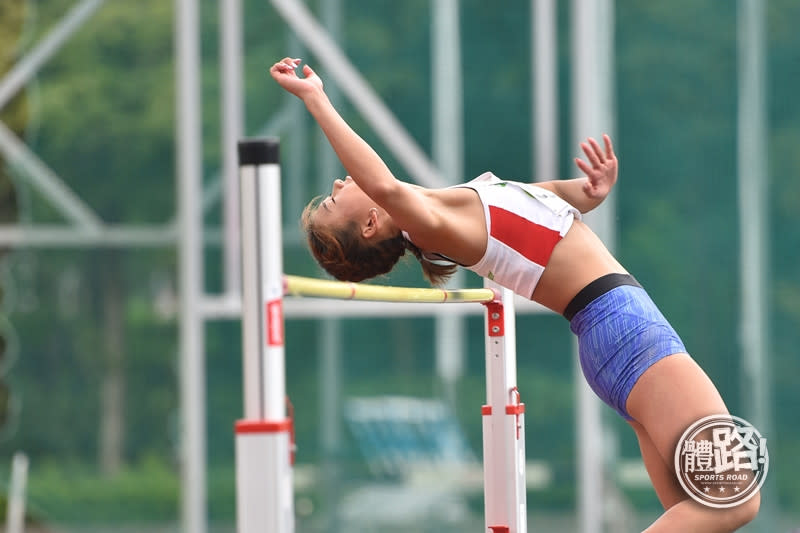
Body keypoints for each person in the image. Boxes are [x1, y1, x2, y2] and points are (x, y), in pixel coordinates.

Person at [270, 57, 760, 532]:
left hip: (614, 332)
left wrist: (586, 191)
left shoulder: (452, 205)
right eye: (336, 199)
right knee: (734, 500)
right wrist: (316, 99)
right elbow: (381, 182)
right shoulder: (435, 225)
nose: (338, 181)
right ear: (373, 222)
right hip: (622, 327)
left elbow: (532, 202)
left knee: (694, 507)